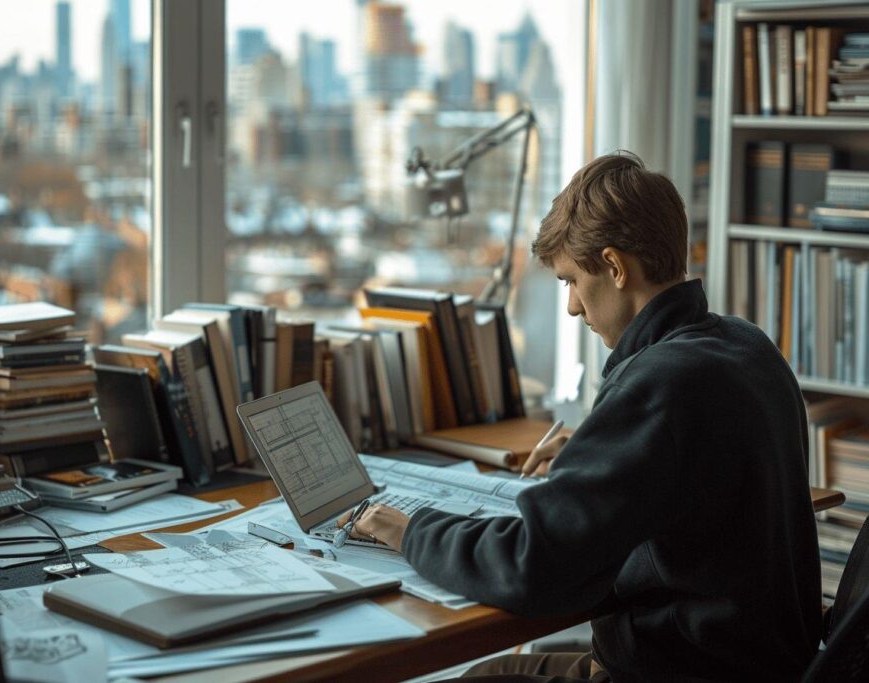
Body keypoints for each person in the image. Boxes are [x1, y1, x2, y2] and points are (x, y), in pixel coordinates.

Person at [339, 152, 821, 681]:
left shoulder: (659, 384)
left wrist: (410, 530)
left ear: (614, 267)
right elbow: (702, 483)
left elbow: (533, 565)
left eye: (571, 280)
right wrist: (594, 460)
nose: (571, 306)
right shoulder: (746, 345)